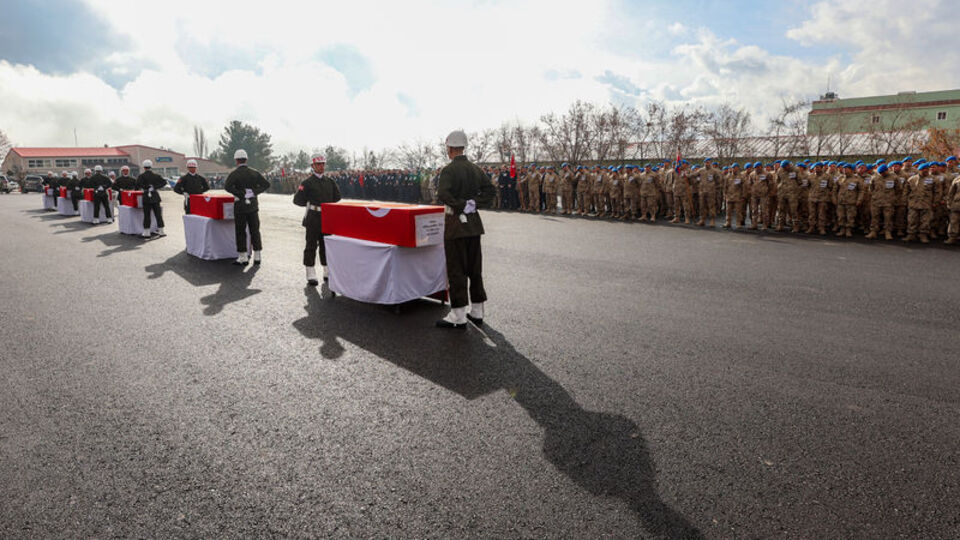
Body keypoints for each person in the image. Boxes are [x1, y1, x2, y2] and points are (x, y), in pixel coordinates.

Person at [435, 130, 496, 329]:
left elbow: (443, 193)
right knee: (474, 268)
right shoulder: (476, 169)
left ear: (450, 147)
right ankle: (477, 310)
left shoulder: (448, 170)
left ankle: (458, 314)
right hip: (474, 224)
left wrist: (461, 205)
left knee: (456, 268)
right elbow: (490, 191)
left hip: (455, 224)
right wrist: (473, 203)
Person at [293, 155, 342, 286]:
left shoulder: (330, 181)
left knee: (326, 245)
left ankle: (327, 271)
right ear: (313, 166)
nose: (321, 166)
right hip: (313, 217)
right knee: (311, 245)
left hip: (327, 217)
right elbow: (297, 200)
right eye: (318, 164)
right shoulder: (307, 183)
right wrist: (311, 203)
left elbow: (337, 197)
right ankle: (310, 272)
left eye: (323, 164)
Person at [224, 149, 270, 265]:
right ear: (246, 159)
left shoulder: (234, 174)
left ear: (236, 161)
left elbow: (227, 187)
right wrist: (254, 192)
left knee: (240, 231)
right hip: (253, 205)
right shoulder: (254, 172)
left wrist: (240, 193)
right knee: (255, 230)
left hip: (240, 205)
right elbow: (266, 184)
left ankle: (243, 256)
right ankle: (257, 256)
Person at [137, 160, 166, 238]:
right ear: (151, 166)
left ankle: (147, 232)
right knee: (158, 215)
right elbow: (164, 182)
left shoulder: (141, 176)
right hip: (155, 196)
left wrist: (146, 187)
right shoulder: (156, 175)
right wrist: (155, 187)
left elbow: (137, 185)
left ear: (144, 167)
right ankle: (161, 231)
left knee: (147, 215)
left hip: (146, 196)